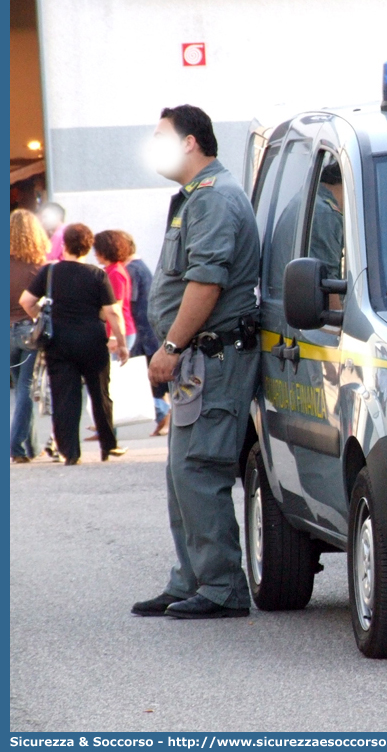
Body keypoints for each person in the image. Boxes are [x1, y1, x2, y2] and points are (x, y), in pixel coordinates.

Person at [132, 104, 260, 620]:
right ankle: (191, 579)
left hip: (212, 355)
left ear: (190, 142)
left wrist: (170, 347)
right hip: (198, 358)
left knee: (199, 468)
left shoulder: (212, 199)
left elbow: (206, 283)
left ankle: (223, 587)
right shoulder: (196, 198)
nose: (155, 144)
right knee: (181, 472)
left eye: (161, 135)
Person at [19, 224, 129, 465]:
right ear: (88, 247)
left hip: (59, 342)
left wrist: (42, 315)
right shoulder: (97, 274)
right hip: (92, 340)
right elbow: (112, 311)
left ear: (64, 245)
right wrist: (121, 343)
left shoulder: (49, 272)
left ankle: (71, 452)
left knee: (64, 396)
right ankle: (108, 446)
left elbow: (26, 300)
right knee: (100, 394)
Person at [118, 231, 169, 436]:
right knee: (153, 380)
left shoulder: (131, 270)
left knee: (146, 380)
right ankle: (164, 417)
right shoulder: (140, 266)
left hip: (140, 331)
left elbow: (127, 303)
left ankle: (165, 415)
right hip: (148, 330)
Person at [9, 209, 49, 463]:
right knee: (26, 388)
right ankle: (16, 445)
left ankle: (30, 446)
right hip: (28, 330)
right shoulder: (41, 266)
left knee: (19, 387)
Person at [93, 230, 136, 355]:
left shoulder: (115, 273)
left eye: (97, 250)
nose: (95, 254)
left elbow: (116, 307)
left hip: (119, 333)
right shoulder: (110, 270)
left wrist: (113, 337)